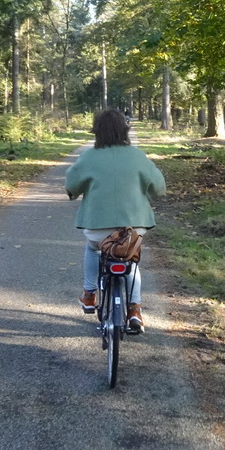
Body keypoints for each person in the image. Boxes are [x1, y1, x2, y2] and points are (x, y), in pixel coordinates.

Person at [65, 108, 166, 333]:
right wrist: (146, 196)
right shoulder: (137, 156)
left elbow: (72, 185)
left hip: (98, 228)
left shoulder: (88, 157)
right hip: (133, 227)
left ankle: (90, 294)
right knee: (130, 259)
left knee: (93, 250)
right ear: (125, 130)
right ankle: (135, 309)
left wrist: (75, 192)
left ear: (97, 132)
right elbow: (159, 187)